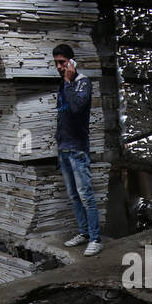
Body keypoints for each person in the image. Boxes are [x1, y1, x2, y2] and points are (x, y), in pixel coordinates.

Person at [52, 43, 102, 256]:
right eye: (56, 63)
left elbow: (76, 108)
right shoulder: (63, 85)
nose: (59, 66)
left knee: (85, 195)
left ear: (72, 62)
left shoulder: (82, 83)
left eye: (62, 62)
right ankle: (83, 233)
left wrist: (68, 81)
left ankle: (95, 238)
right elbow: (62, 115)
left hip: (78, 148)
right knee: (73, 194)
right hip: (64, 147)